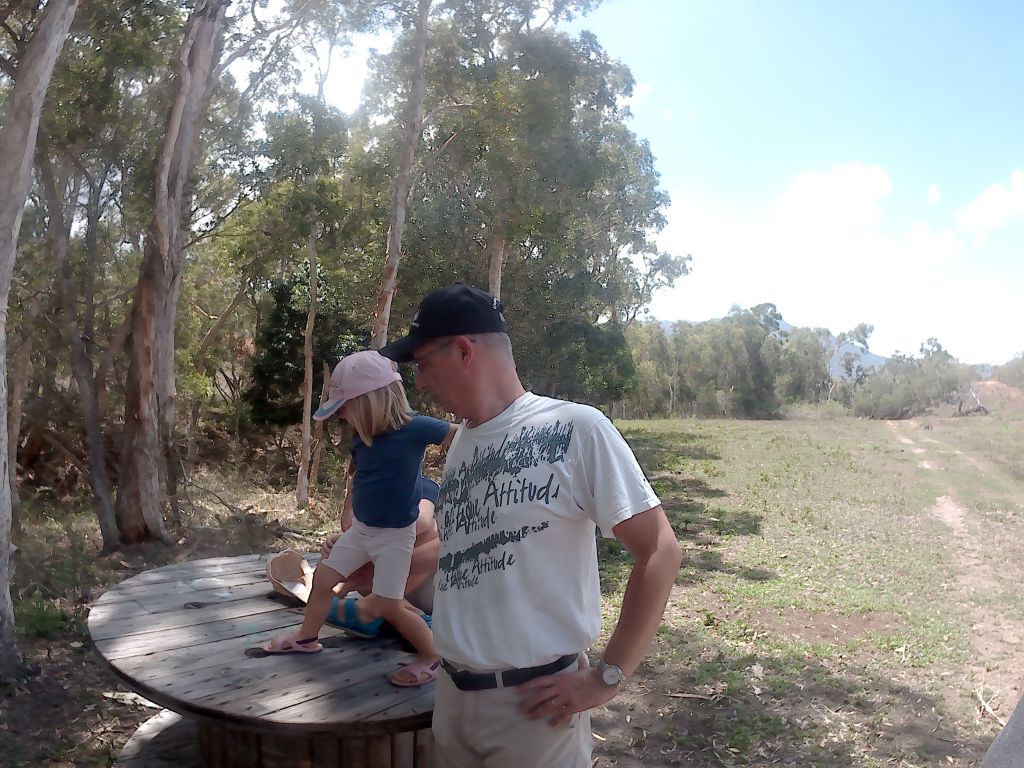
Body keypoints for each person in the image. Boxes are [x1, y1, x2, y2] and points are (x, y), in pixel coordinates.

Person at [379, 284, 684, 767]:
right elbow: (467, 547)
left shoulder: (576, 429)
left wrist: (608, 676)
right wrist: (385, 568)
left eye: (423, 364)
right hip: (453, 700)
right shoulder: (464, 441)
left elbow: (660, 550)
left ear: (463, 351)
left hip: (534, 712)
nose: (421, 382)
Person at [263, 351, 457, 688]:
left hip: (395, 537)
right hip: (363, 531)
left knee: (390, 605)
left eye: (345, 408)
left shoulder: (415, 427)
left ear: (370, 403)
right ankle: (307, 637)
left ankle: (431, 655)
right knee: (323, 580)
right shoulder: (362, 439)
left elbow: (462, 435)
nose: (343, 417)